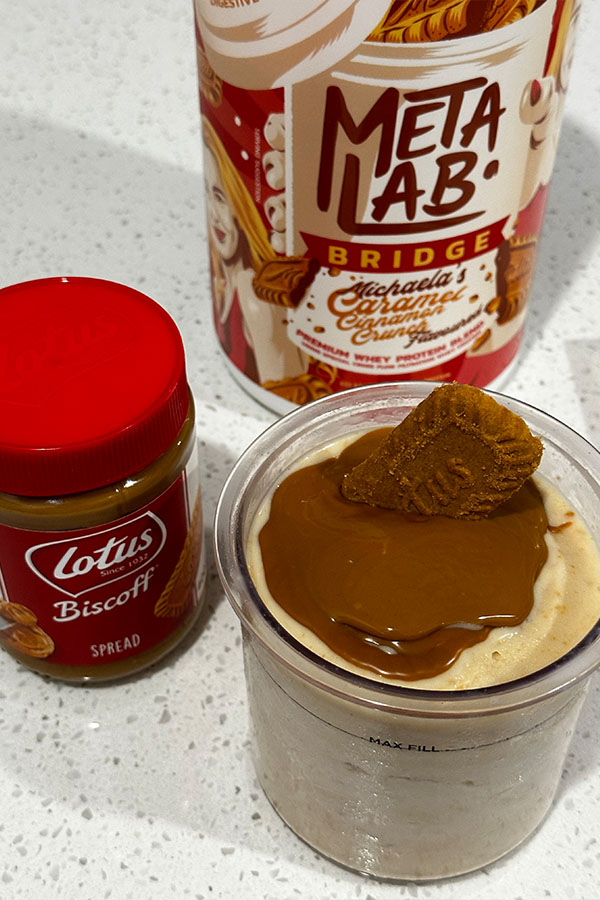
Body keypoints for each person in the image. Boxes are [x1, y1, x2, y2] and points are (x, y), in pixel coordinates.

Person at [202, 116, 307, 387]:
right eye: (209, 193)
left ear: (239, 205)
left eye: (221, 197)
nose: (214, 215)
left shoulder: (254, 291)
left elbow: (290, 388)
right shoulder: (227, 285)